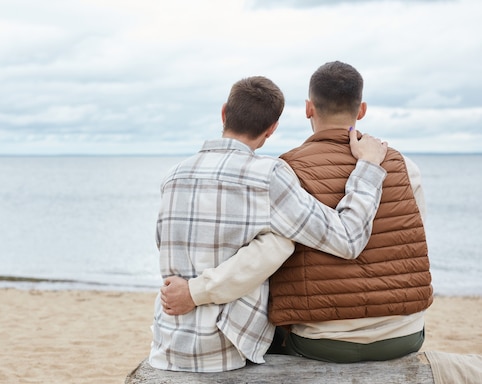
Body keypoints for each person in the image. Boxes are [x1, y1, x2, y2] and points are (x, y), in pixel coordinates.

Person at [161, 61, 433, 364]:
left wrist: (196, 291)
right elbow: (414, 240)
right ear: (362, 109)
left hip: (320, 342)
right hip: (404, 336)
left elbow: (272, 252)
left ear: (308, 109)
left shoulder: (285, 171)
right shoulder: (406, 167)